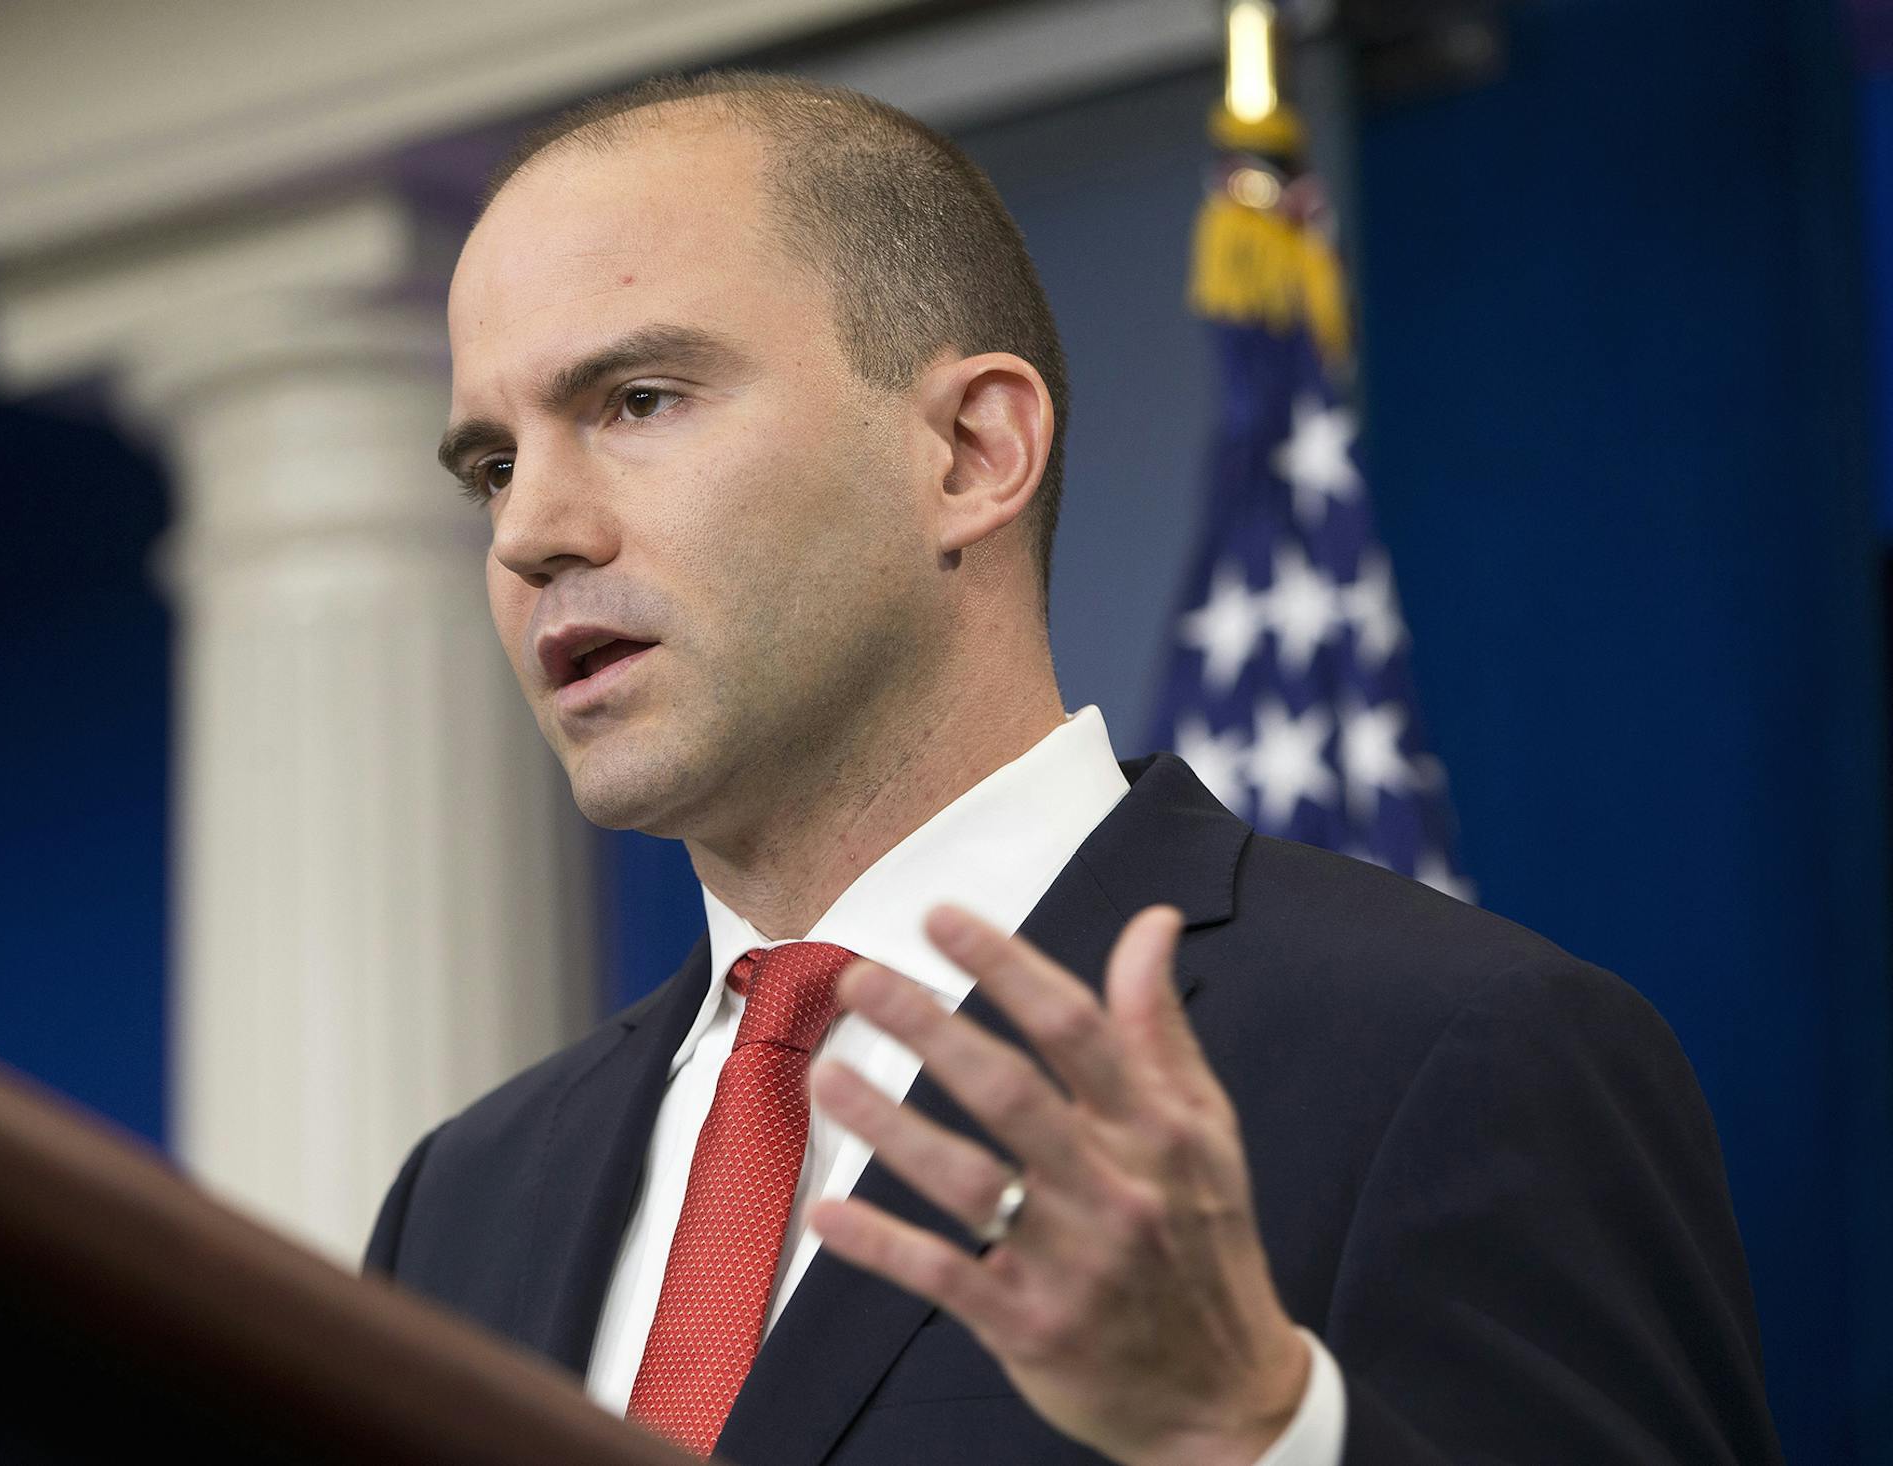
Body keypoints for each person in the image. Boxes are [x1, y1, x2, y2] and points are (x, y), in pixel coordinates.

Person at [364, 71, 1782, 1465]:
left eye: (639, 398)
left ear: (974, 451)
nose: (528, 531)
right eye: (491, 466)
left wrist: (1261, 1436)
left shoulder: (1450, 1055)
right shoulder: (463, 1201)